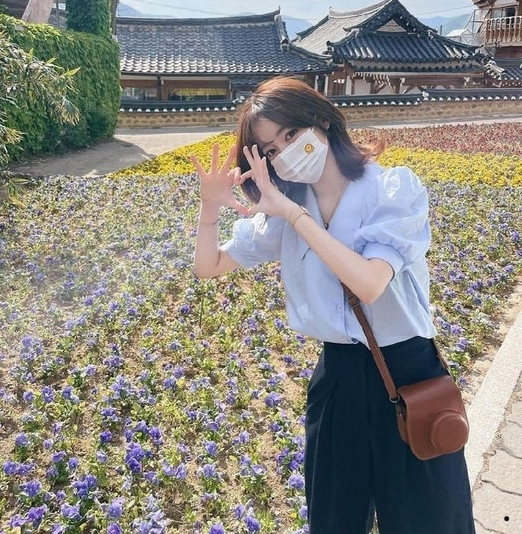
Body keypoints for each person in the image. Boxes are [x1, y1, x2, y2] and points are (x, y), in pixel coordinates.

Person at [190, 76, 475, 534]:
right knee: (334, 519)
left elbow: (370, 283)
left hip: (408, 372)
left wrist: (294, 215)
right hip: (338, 377)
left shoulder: (390, 189)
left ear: (321, 121)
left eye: (290, 134)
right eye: (271, 149)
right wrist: (209, 210)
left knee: (429, 520)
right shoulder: (286, 206)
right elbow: (210, 266)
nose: (285, 152)